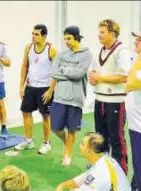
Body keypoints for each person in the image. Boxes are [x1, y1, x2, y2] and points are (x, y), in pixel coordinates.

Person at [89, 19, 131, 174]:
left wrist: (100, 78)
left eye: (102, 32)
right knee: (100, 139)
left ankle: (121, 175)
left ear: (112, 33)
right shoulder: (99, 50)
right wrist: (93, 78)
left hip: (115, 101)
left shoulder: (122, 50)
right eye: (99, 32)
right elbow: (95, 73)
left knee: (117, 140)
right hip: (99, 99)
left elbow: (123, 76)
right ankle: (103, 173)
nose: (99, 35)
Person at [49, 26, 92, 166]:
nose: (66, 41)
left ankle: (67, 154)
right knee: (56, 128)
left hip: (75, 99)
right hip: (59, 97)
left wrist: (63, 70)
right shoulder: (61, 54)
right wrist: (69, 73)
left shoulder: (86, 54)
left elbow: (79, 74)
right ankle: (67, 143)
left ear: (76, 38)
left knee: (72, 130)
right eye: (65, 38)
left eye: (69, 38)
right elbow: (53, 72)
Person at [15, 24, 57, 155]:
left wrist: (50, 91)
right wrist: (21, 86)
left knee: (46, 115)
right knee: (26, 113)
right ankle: (28, 141)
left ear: (44, 35)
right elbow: (24, 67)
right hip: (30, 87)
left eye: (36, 34)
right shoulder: (29, 47)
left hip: (44, 88)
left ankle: (46, 143)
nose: (33, 36)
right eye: (32, 34)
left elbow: (57, 73)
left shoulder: (51, 50)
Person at [55, 132, 130, 191]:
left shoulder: (101, 172)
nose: (80, 146)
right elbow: (82, 179)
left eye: (82, 144)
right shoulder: (101, 161)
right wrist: (62, 185)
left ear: (88, 151)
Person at [125, 31, 141, 191]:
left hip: (139, 127)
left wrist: (129, 85)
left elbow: (132, 82)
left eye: (140, 40)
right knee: (137, 162)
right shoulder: (138, 59)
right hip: (135, 125)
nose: (136, 41)